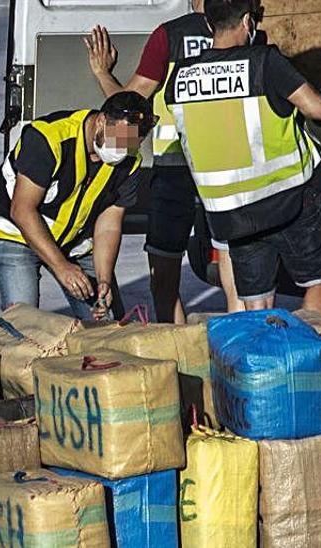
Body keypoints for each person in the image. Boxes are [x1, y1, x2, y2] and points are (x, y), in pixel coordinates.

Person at [164, 0, 321, 314]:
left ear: (208, 24)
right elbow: (319, 109)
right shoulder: (264, 61)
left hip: (232, 213)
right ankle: (308, 358)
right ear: (248, 21)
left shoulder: (180, 78)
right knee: (318, 282)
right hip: (288, 200)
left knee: (256, 300)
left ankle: (264, 362)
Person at [83, 0, 247, 322]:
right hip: (224, 167)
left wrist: (103, 73)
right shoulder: (245, 33)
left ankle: (178, 355)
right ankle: (239, 346)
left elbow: (126, 105)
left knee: (165, 273)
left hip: (175, 167)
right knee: (232, 267)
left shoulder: (169, 36)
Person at [0, 92, 151, 320]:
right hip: (15, 231)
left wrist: (104, 279)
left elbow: (109, 224)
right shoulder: (48, 138)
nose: (119, 151)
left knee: (105, 324)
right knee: (23, 322)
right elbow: (22, 210)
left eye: (128, 145)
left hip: (73, 242)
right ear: (101, 120)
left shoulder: (129, 162)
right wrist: (61, 267)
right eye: (116, 139)